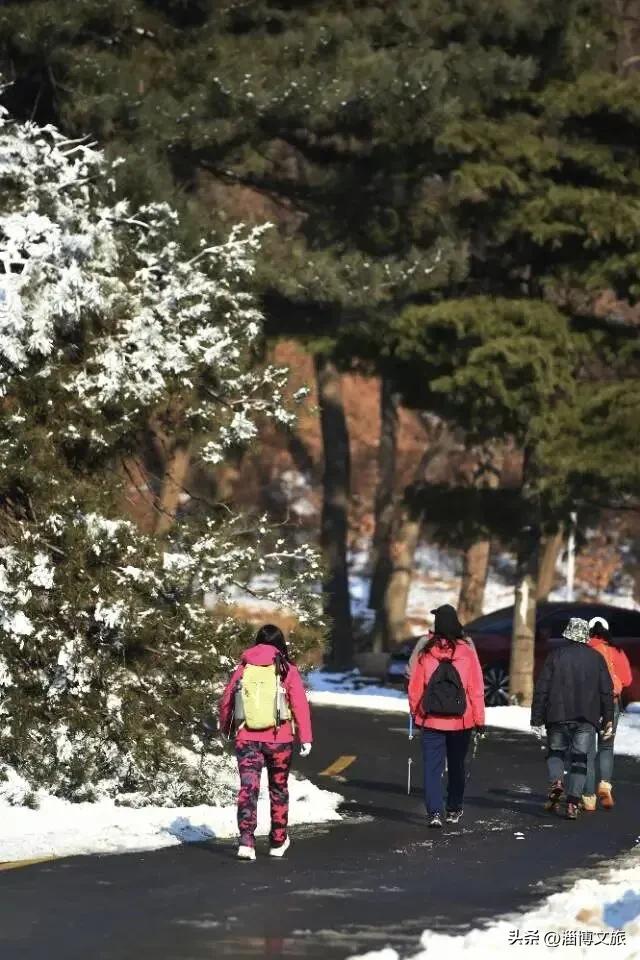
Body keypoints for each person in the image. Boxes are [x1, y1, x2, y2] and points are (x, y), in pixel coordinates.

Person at [218, 624, 312, 861]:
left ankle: (246, 842)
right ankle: (278, 841)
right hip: (279, 739)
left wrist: (225, 727)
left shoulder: (244, 667)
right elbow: (299, 703)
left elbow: (228, 698)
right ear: (280, 644)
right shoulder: (286, 669)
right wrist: (306, 737)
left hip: (246, 737)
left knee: (248, 789)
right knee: (278, 788)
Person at [408, 604, 485, 828]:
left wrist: (416, 713)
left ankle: (434, 812)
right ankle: (454, 808)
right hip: (461, 720)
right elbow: (476, 688)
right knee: (457, 765)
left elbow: (415, 688)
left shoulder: (426, 653)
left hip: (431, 718)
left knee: (432, 767)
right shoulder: (467, 653)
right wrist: (480, 720)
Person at [531, 617, 614, 820]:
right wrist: (608, 718)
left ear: (568, 633)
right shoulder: (596, 658)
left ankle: (557, 782)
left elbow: (542, 688)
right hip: (586, 718)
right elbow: (606, 691)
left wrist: (537, 717)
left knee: (556, 752)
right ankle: (572, 804)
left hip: (557, 715)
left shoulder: (555, 656)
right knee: (580, 759)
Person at [581, 616, 632, 811]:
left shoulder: (585, 650)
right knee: (606, 746)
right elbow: (627, 679)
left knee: (587, 749)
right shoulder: (616, 651)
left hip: (588, 704)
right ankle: (604, 784)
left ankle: (588, 797)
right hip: (611, 703)